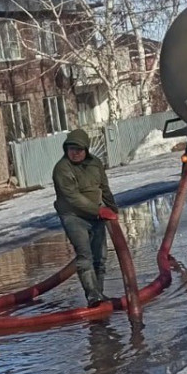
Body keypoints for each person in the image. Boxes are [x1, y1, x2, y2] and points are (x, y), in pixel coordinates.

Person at [52, 129, 119, 307]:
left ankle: (99, 294)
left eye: (79, 149)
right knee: (85, 256)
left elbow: (104, 188)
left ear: (86, 149)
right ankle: (93, 296)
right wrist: (99, 210)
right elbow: (72, 197)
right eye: (71, 149)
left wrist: (113, 209)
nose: (75, 153)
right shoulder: (62, 169)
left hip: (96, 215)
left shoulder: (95, 164)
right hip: (73, 216)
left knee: (100, 257)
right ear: (66, 149)